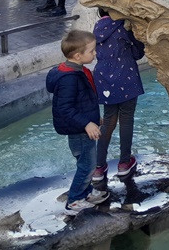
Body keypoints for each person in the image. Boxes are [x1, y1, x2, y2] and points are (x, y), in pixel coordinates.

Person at [45, 30, 109, 215]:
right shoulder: (70, 78)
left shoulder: (74, 70)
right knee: (87, 166)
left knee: (86, 162)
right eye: (91, 51)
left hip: (82, 126)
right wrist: (87, 124)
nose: (95, 53)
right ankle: (74, 200)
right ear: (78, 56)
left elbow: (83, 101)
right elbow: (65, 108)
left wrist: (94, 119)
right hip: (79, 130)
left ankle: (86, 192)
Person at [92, 10, 145, 183]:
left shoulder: (98, 27)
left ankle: (99, 166)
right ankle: (124, 163)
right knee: (126, 119)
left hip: (104, 77)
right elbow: (138, 53)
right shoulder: (124, 26)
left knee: (108, 120)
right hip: (126, 74)